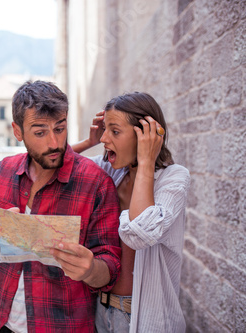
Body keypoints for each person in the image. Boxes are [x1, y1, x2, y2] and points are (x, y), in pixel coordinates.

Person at [0, 80, 121, 333]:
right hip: (2, 321)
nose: (54, 142)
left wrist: (91, 269)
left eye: (60, 129)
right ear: (17, 132)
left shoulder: (96, 183)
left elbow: (111, 265)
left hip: (64, 326)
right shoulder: (5, 171)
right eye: (40, 132)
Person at [72, 92, 190, 333]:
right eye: (105, 129)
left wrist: (146, 161)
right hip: (100, 312)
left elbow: (139, 234)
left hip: (145, 316)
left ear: (144, 136)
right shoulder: (110, 171)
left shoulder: (174, 178)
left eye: (114, 131)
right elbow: (55, 165)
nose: (105, 138)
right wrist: (88, 142)